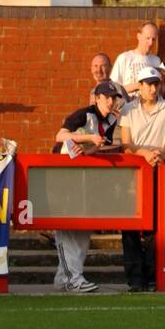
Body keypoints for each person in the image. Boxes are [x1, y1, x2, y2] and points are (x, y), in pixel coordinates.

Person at [51, 80, 127, 293]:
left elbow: (94, 150)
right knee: (67, 228)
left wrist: (94, 145)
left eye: (114, 98)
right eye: (107, 97)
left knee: (83, 229)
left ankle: (66, 278)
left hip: (85, 179)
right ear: (97, 98)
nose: (111, 102)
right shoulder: (84, 114)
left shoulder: (111, 120)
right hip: (63, 177)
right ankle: (72, 278)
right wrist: (89, 137)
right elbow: (60, 136)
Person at [118, 67, 165, 292]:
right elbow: (126, 144)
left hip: (159, 171)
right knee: (130, 227)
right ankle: (135, 280)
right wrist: (145, 153)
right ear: (140, 85)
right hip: (133, 174)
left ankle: (154, 277)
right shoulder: (128, 109)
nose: (152, 88)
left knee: (157, 227)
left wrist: (160, 153)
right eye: (148, 84)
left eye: (156, 84)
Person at [111, 21, 165, 98]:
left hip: (151, 107)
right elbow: (114, 89)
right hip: (130, 107)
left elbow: (161, 93)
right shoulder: (125, 58)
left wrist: (162, 81)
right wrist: (139, 85)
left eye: (153, 39)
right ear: (139, 36)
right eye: (147, 38)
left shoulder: (156, 60)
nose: (150, 43)